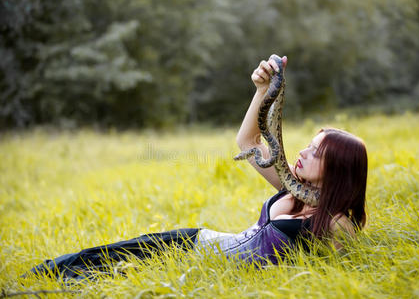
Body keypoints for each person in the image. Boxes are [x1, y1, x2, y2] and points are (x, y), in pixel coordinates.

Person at [24, 55, 367, 281]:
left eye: (316, 153)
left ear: (339, 170)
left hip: (207, 264)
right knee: (108, 255)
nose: (303, 152)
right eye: (308, 144)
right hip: (199, 242)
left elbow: (335, 278)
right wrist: (263, 89)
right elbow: (248, 143)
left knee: (120, 273)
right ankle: (35, 277)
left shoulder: (336, 222)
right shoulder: (291, 186)